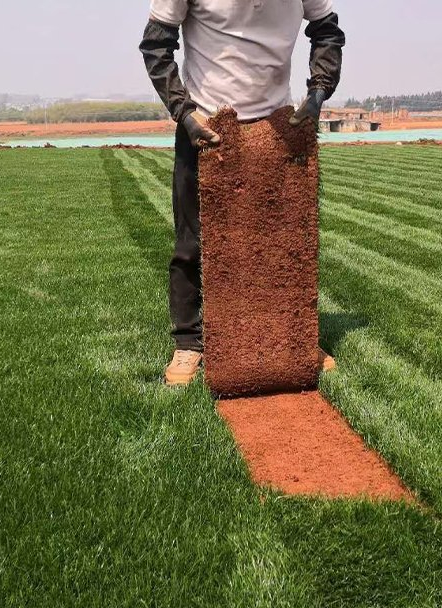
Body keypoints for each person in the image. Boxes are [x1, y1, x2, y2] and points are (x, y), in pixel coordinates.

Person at [140, 0, 345, 386]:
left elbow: (327, 31)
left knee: (284, 243)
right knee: (192, 242)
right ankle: (190, 342)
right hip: (206, 122)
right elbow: (156, 45)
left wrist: (319, 91)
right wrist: (183, 112)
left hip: (277, 124)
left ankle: (292, 338)